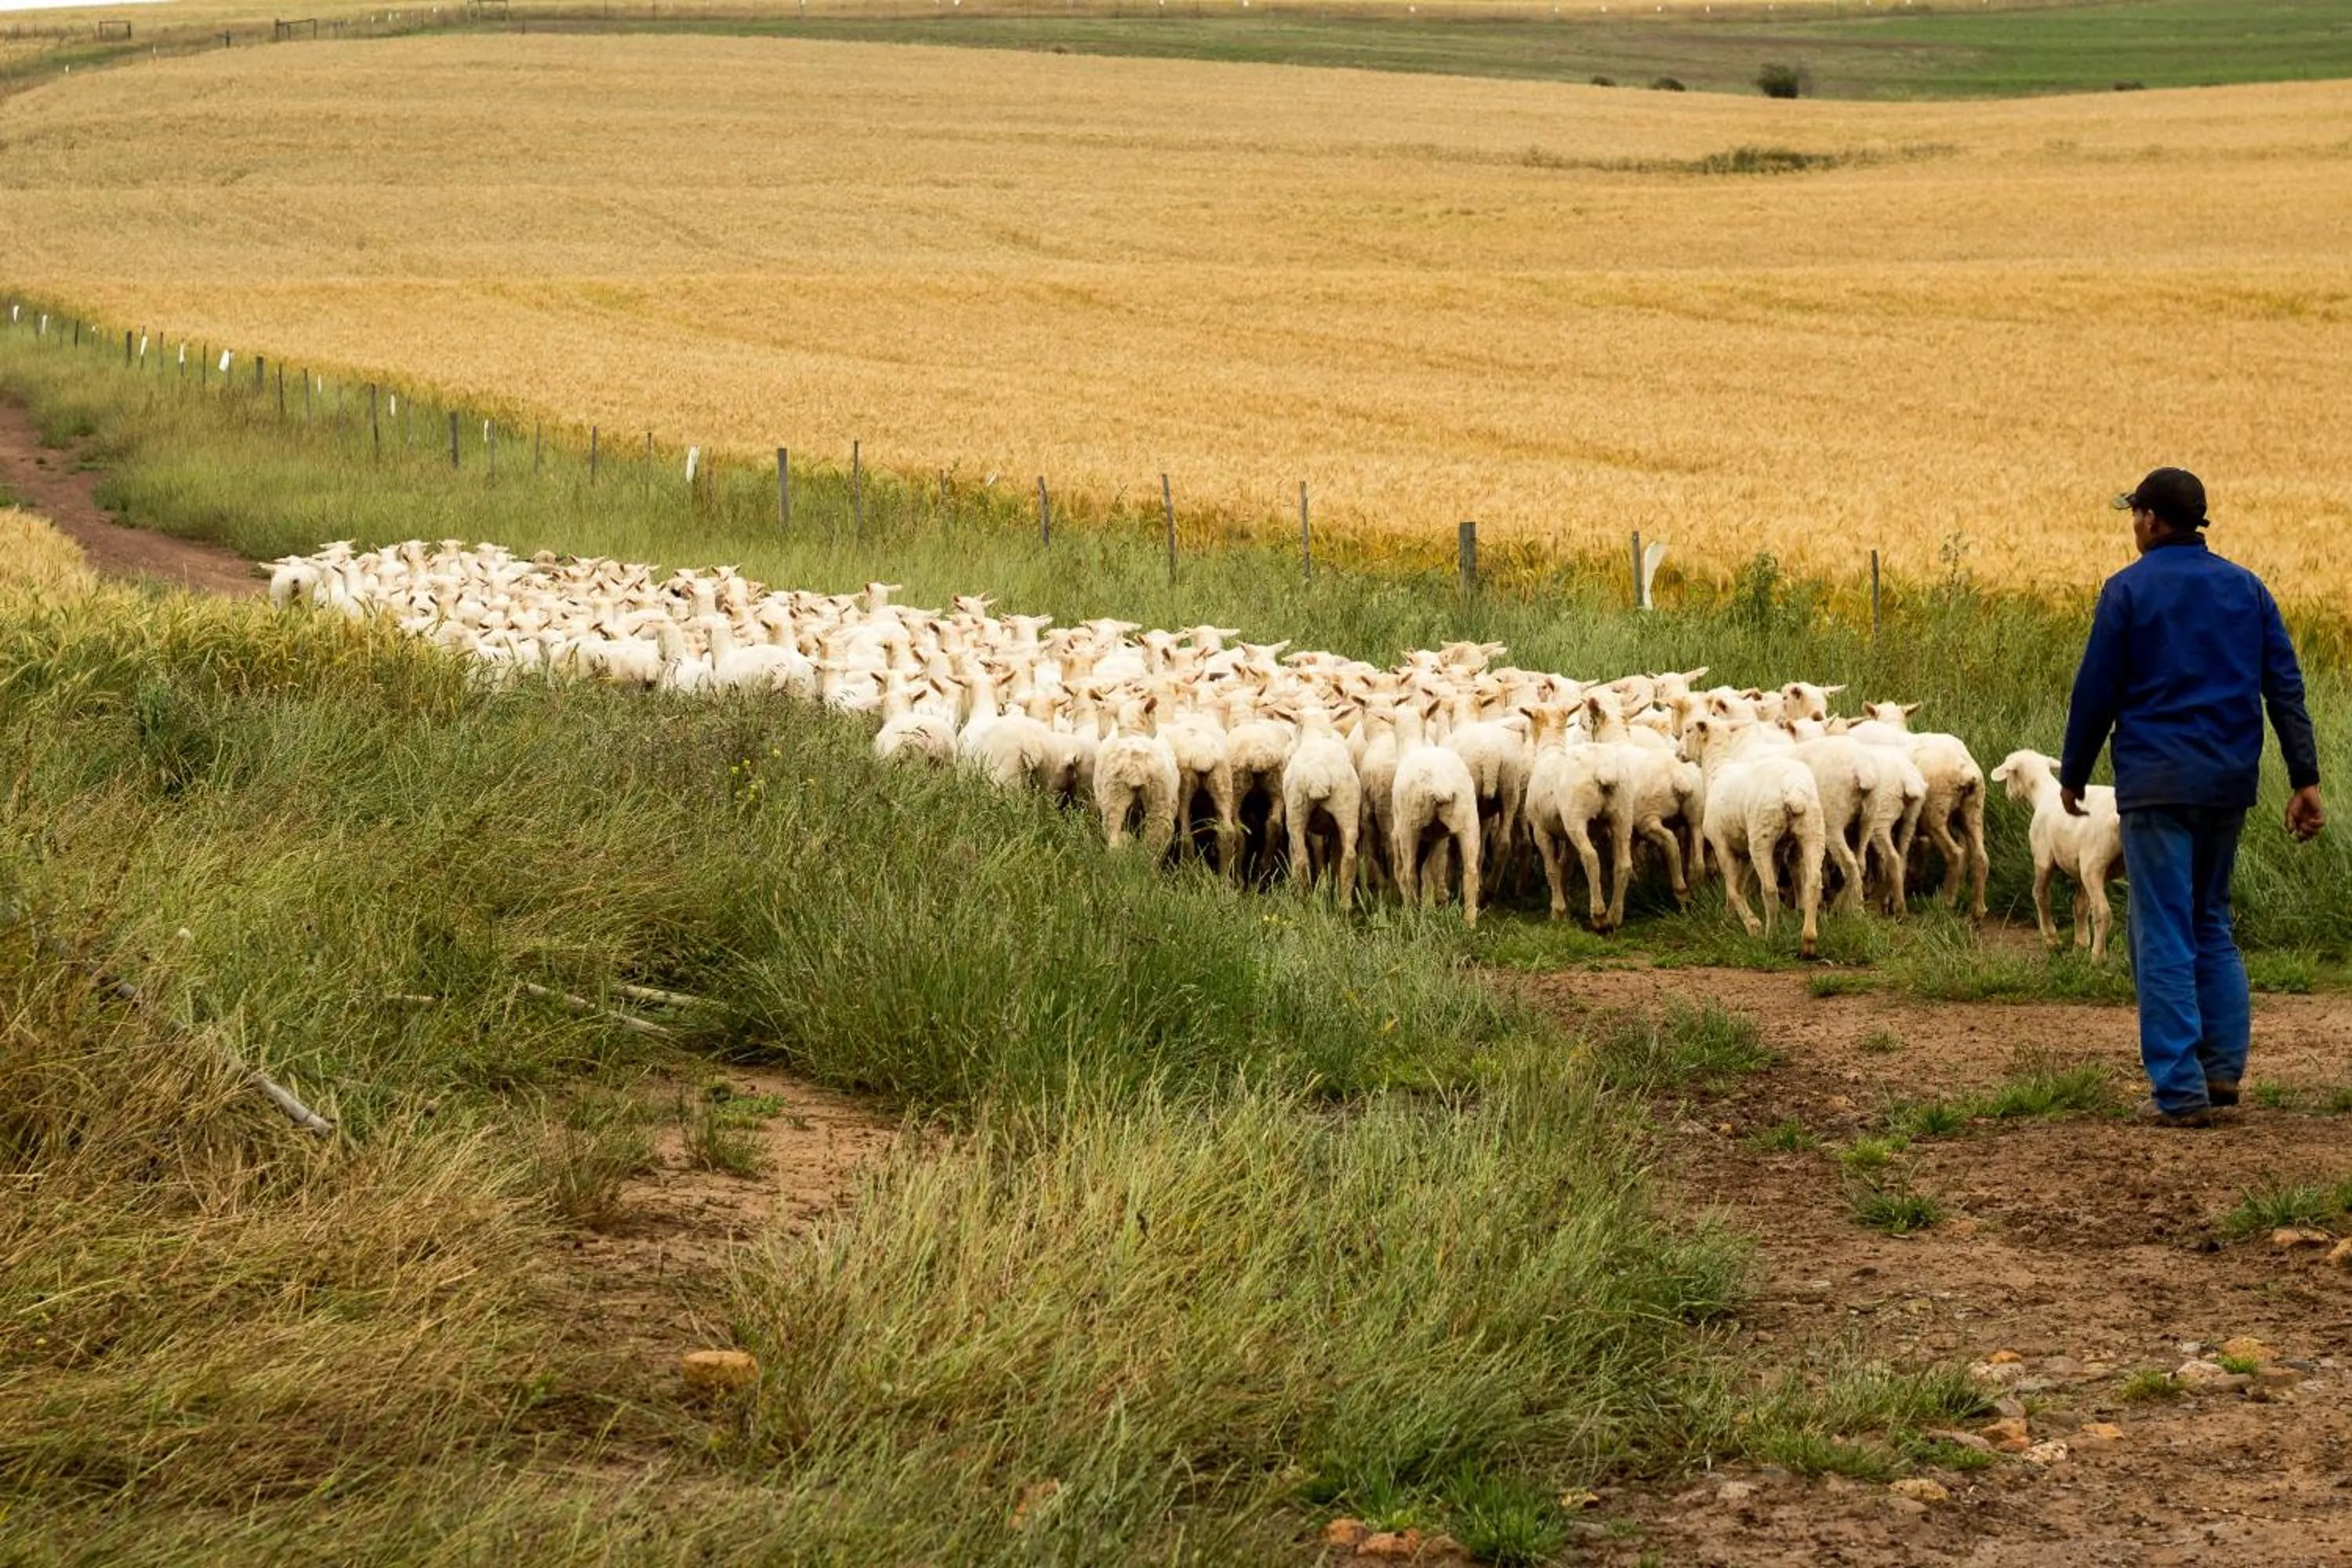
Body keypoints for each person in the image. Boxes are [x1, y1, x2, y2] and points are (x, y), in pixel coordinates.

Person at [2060, 466, 2325, 1128]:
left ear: (2151, 519)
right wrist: (2305, 778)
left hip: (2155, 784)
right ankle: (2221, 1069)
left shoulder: (2127, 590)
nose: (2133, 525)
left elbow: (2096, 691)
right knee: (2211, 920)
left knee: (2162, 929)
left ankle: (2179, 1089)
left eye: (2135, 514)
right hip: (2228, 783)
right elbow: (2284, 689)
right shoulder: (2248, 589)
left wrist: (2074, 772)